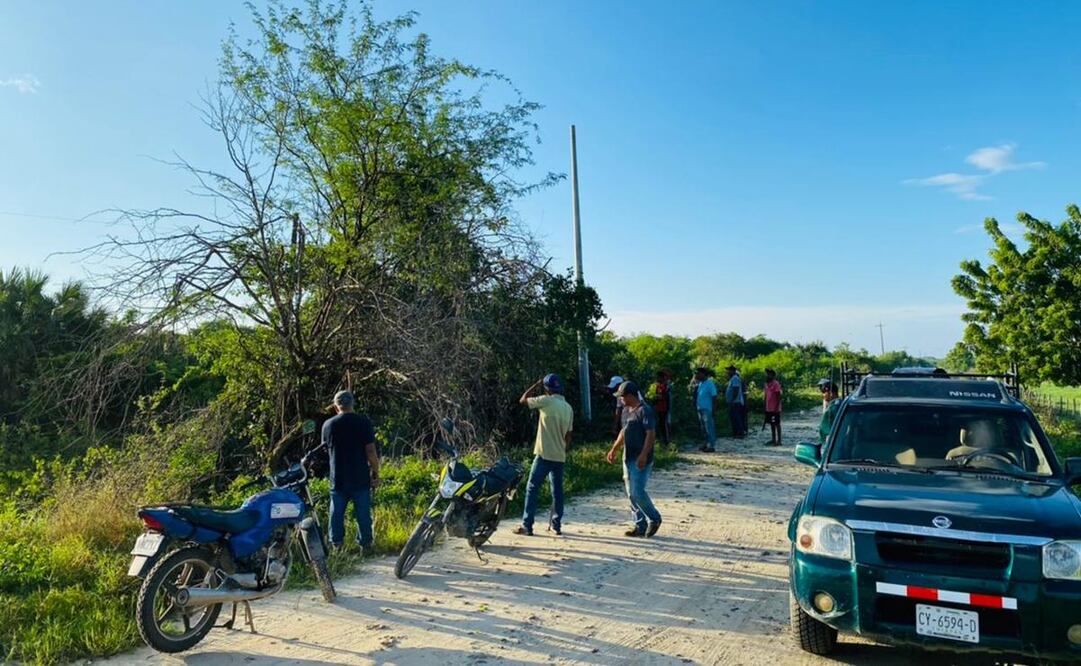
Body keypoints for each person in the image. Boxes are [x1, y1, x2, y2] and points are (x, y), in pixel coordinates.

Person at [515, 374, 574, 536]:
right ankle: (556, 525)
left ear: (547, 389)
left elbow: (523, 400)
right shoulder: (568, 408)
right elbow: (569, 435)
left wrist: (535, 384)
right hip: (559, 455)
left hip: (543, 453)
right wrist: (564, 450)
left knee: (532, 488)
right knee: (557, 491)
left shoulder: (546, 401)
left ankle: (527, 525)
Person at [323, 390, 380, 555]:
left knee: (336, 514)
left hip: (338, 477)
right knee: (363, 513)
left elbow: (326, 451)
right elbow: (370, 451)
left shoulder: (328, 425)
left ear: (336, 406)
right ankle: (366, 546)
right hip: (360, 476)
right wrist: (375, 472)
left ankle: (337, 547)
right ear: (352, 404)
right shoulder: (363, 422)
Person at [606, 381, 662, 537]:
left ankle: (654, 518)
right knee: (630, 493)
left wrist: (644, 454)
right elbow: (624, 432)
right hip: (628, 456)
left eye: (622, 396)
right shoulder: (626, 411)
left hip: (641, 458)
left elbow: (651, 434)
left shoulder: (645, 411)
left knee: (637, 491)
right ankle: (640, 525)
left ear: (630, 395)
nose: (620, 399)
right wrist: (614, 449)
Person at [693, 367, 718, 452]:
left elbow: (714, 397)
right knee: (703, 428)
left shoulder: (710, 384)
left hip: (707, 409)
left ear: (703, 374)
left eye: (698, 373)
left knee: (709, 427)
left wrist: (714, 410)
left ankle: (711, 445)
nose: (697, 375)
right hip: (700, 408)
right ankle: (705, 443)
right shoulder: (700, 384)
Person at [725, 365, 747, 438]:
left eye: (729, 370)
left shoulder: (735, 378)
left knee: (736, 417)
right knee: (734, 417)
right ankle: (736, 432)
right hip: (733, 401)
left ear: (733, 371)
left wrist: (733, 400)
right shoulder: (732, 379)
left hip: (735, 402)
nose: (727, 372)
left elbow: (736, 390)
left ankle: (740, 432)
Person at [652, 370, 673, 446]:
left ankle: (667, 441)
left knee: (665, 424)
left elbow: (666, 397)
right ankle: (660, 440)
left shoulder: (666, 386)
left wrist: (659, 397)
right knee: (659, 424)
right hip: (657, 408)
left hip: (664, 408)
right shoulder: (656, 385)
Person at [764, 369, 783, 446]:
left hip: (775, 408)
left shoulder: (776, 384)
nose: (768, 375)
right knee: (771, 423)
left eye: (770, 374)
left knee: (777, 423)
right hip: (769, 408)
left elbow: (778, 396)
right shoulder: (766, 384)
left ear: (773, 375)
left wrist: (776, 406)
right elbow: (765, 396)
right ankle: (773, 439)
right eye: (767, 374)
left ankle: (779, 440)